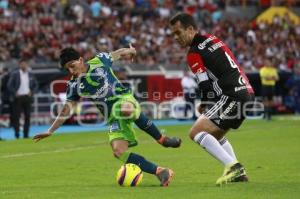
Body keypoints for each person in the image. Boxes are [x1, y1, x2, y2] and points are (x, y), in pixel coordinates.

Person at [33, 45, 181, 186]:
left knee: (125, 108)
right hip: (112, 117)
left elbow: (119, 53)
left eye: (72, 65)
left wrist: (131, 50)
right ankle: (161, 171)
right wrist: (50, 130)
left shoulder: (100, 60)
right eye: (67, 69)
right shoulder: (74, 85)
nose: (71, 70)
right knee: (118, 152)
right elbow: (66, 109)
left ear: (80, 60)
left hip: (124, 99)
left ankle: (162, 139)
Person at [169, 13, 255, 185]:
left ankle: (233, 167)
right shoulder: (213, 39)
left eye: (178, 33)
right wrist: (207, 103)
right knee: (215, 133)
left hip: (232, 96)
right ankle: (239, 173)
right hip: (247, 93)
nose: (176, 38)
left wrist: (207, 102)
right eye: (173, 34)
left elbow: (205, 84)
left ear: (191, 29)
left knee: (195, 133)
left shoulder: (193, 53)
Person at [7, 58, 38, 139]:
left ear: (27, 65)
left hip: (27, 97)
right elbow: (9, 85)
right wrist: (15, 92)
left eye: (25, 64)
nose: (24, 65)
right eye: (22, 64)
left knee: (27, 116)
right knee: (16, 117)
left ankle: (26, 134)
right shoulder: (15, 74)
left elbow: (36, 85)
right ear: (19, 65)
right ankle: (17, 134)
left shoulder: (30, 74)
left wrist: (32, 91)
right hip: (18, 98)